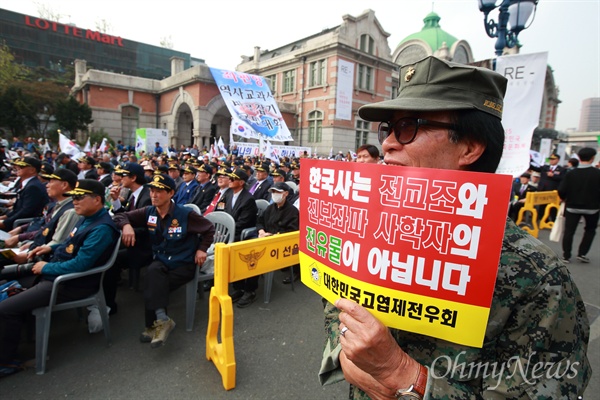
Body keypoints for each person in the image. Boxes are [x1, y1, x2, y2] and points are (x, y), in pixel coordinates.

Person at [319, 56, 590, 399]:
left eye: (408, 126)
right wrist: (344, 354)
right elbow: (337, 305)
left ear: (471, 147)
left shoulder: (540, 279)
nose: (387, 143)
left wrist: (406, 378)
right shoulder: (371, 229)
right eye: (387, 129)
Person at [0, 179, 119, 377]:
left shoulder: (101, 228)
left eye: (80, 197)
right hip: (56, 273)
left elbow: (81, 264)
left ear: (97, 200)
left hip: (68, 283)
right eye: (74, 197)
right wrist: (50, 247)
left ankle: (6, 361)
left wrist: (47, 266)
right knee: (7, 284)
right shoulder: (86, 218)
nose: (75, 201)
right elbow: (69, 243)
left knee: (5, 309)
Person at [112, 174, 214, 348]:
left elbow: (209, 229)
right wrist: (126, 225)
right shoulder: (149, 212)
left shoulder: (185, 214)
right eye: (152, 191)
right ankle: (161, 321)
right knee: (153, 273)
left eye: (159, 191)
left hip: (183, 263)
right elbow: (120, 216)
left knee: (153, 281)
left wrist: (201, 249)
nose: (154, 195)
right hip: (161, 260)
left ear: (171, 193)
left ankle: (155, 324)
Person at [1, 169, 81, 266]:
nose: (47, 185)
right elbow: (44, 229)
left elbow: (57, 243)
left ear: (64, 185)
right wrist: (31, 244)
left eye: (51, 182)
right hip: (33, 248)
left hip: (41, 260)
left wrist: (29, 253)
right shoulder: (57, 205)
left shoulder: (70, 211)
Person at [217, 168, 258, 308]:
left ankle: (249, 290)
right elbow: (220, 209)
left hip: (244, 234)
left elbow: (243, 223)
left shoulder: (248, 199)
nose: (230, 181)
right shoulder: (228, 193)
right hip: (228, 232)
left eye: (233, 179)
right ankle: (238, 287)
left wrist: (226, 234)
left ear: (241, 182)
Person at [558, 147, 600, 264]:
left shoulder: (571, 173)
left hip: (572, 207)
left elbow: (561, 190)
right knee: (590, 230)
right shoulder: (597, 173)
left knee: (569, 231)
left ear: (579, 158)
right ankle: (582, 253)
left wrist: (564, 199)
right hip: (592, 208)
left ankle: (566, 255)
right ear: (592, 158)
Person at [257, 182, 299, 284]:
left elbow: (292, 231)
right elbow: (260, 221)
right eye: (273, 192)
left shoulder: (292, 211)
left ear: (286, 194)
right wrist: (261, 231)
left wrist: (273, 236)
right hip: (265, 238)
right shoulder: (271, 208)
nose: (274, 194)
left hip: (280, 242)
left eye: (278, 192)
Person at [0, 157, 50, 231]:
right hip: (18, 220)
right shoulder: (29, 184)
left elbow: (26, 212)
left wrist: (5, 223)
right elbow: (18, 209)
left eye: (22, 167)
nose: (18, 168)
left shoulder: (33, 187)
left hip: (22, 225)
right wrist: (4, 217)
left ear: (32, 170)